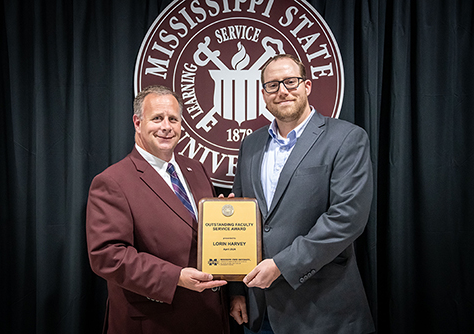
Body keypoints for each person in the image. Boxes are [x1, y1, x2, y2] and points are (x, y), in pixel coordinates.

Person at [229, 54, 375, 333]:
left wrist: (282, 265)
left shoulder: (346, 138)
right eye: (272, 85)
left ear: (307, 86)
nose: (282, 90)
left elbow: (347, 218)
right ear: (263, 94)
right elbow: (241, 215)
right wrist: (237, 289)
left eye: (291, 82)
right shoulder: (251, 144)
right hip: (260, 311)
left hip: (323, 312)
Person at [86, 85, 229, 334]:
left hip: (209, 317)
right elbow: (107, 255)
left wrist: (231, 221)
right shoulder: (113, 181)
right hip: (154, 321)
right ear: (138, 123)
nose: (166, 126)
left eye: (173, 119)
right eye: (157, 118)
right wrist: (175, 278)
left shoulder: (196, 170)